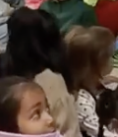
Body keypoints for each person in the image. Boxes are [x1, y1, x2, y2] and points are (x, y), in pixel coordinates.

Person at [0, 9, 79, 137]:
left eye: (47, 109)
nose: (49, 119)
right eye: (36, 113)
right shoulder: (52, 81)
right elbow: (70, 130)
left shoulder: (5, 67)